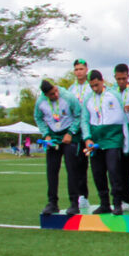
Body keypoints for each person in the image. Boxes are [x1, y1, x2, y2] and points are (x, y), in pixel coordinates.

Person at [81, 69, 128, 215]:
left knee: (114, 171)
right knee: (98, 172)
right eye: (92, 86)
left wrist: (125, 141)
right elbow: (84, 120)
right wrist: (87, 137)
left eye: (96, 85)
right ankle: (104, 203)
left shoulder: (113, 95)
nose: (95, 88)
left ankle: (117, 203)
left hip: (112, 138)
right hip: (96, 140)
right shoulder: (88, 98)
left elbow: (123, 118)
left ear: (102, 81)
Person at [33, 80, 83, 215]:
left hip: (69, 135)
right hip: (53, 137)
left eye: (55, 91)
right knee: (52, 170)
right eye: (51, 94)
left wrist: (71, 132)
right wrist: (46, 134)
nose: (55, 94)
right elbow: (38, 118)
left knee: (72, 169)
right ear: (45, 95)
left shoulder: (68, 97)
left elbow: (79, 115)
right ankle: (52, 203)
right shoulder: (40, 102)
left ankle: (74, 203)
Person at [68, 58, 92, 209]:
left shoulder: (92, 86)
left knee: (97, 165)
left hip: (90, 129)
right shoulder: (71, 90)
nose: (79, 72)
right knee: (78, 164)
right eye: (76, 69)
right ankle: (81, 195)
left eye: (81, 69)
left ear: (86, 70)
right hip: (77, 131)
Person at [113, 63, 129, 210]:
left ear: (128, 76)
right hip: (118, 133)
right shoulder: (111, 92)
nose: (121, 81)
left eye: (123, 78)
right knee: (120, 169)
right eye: (118, 79)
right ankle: (125, 199)